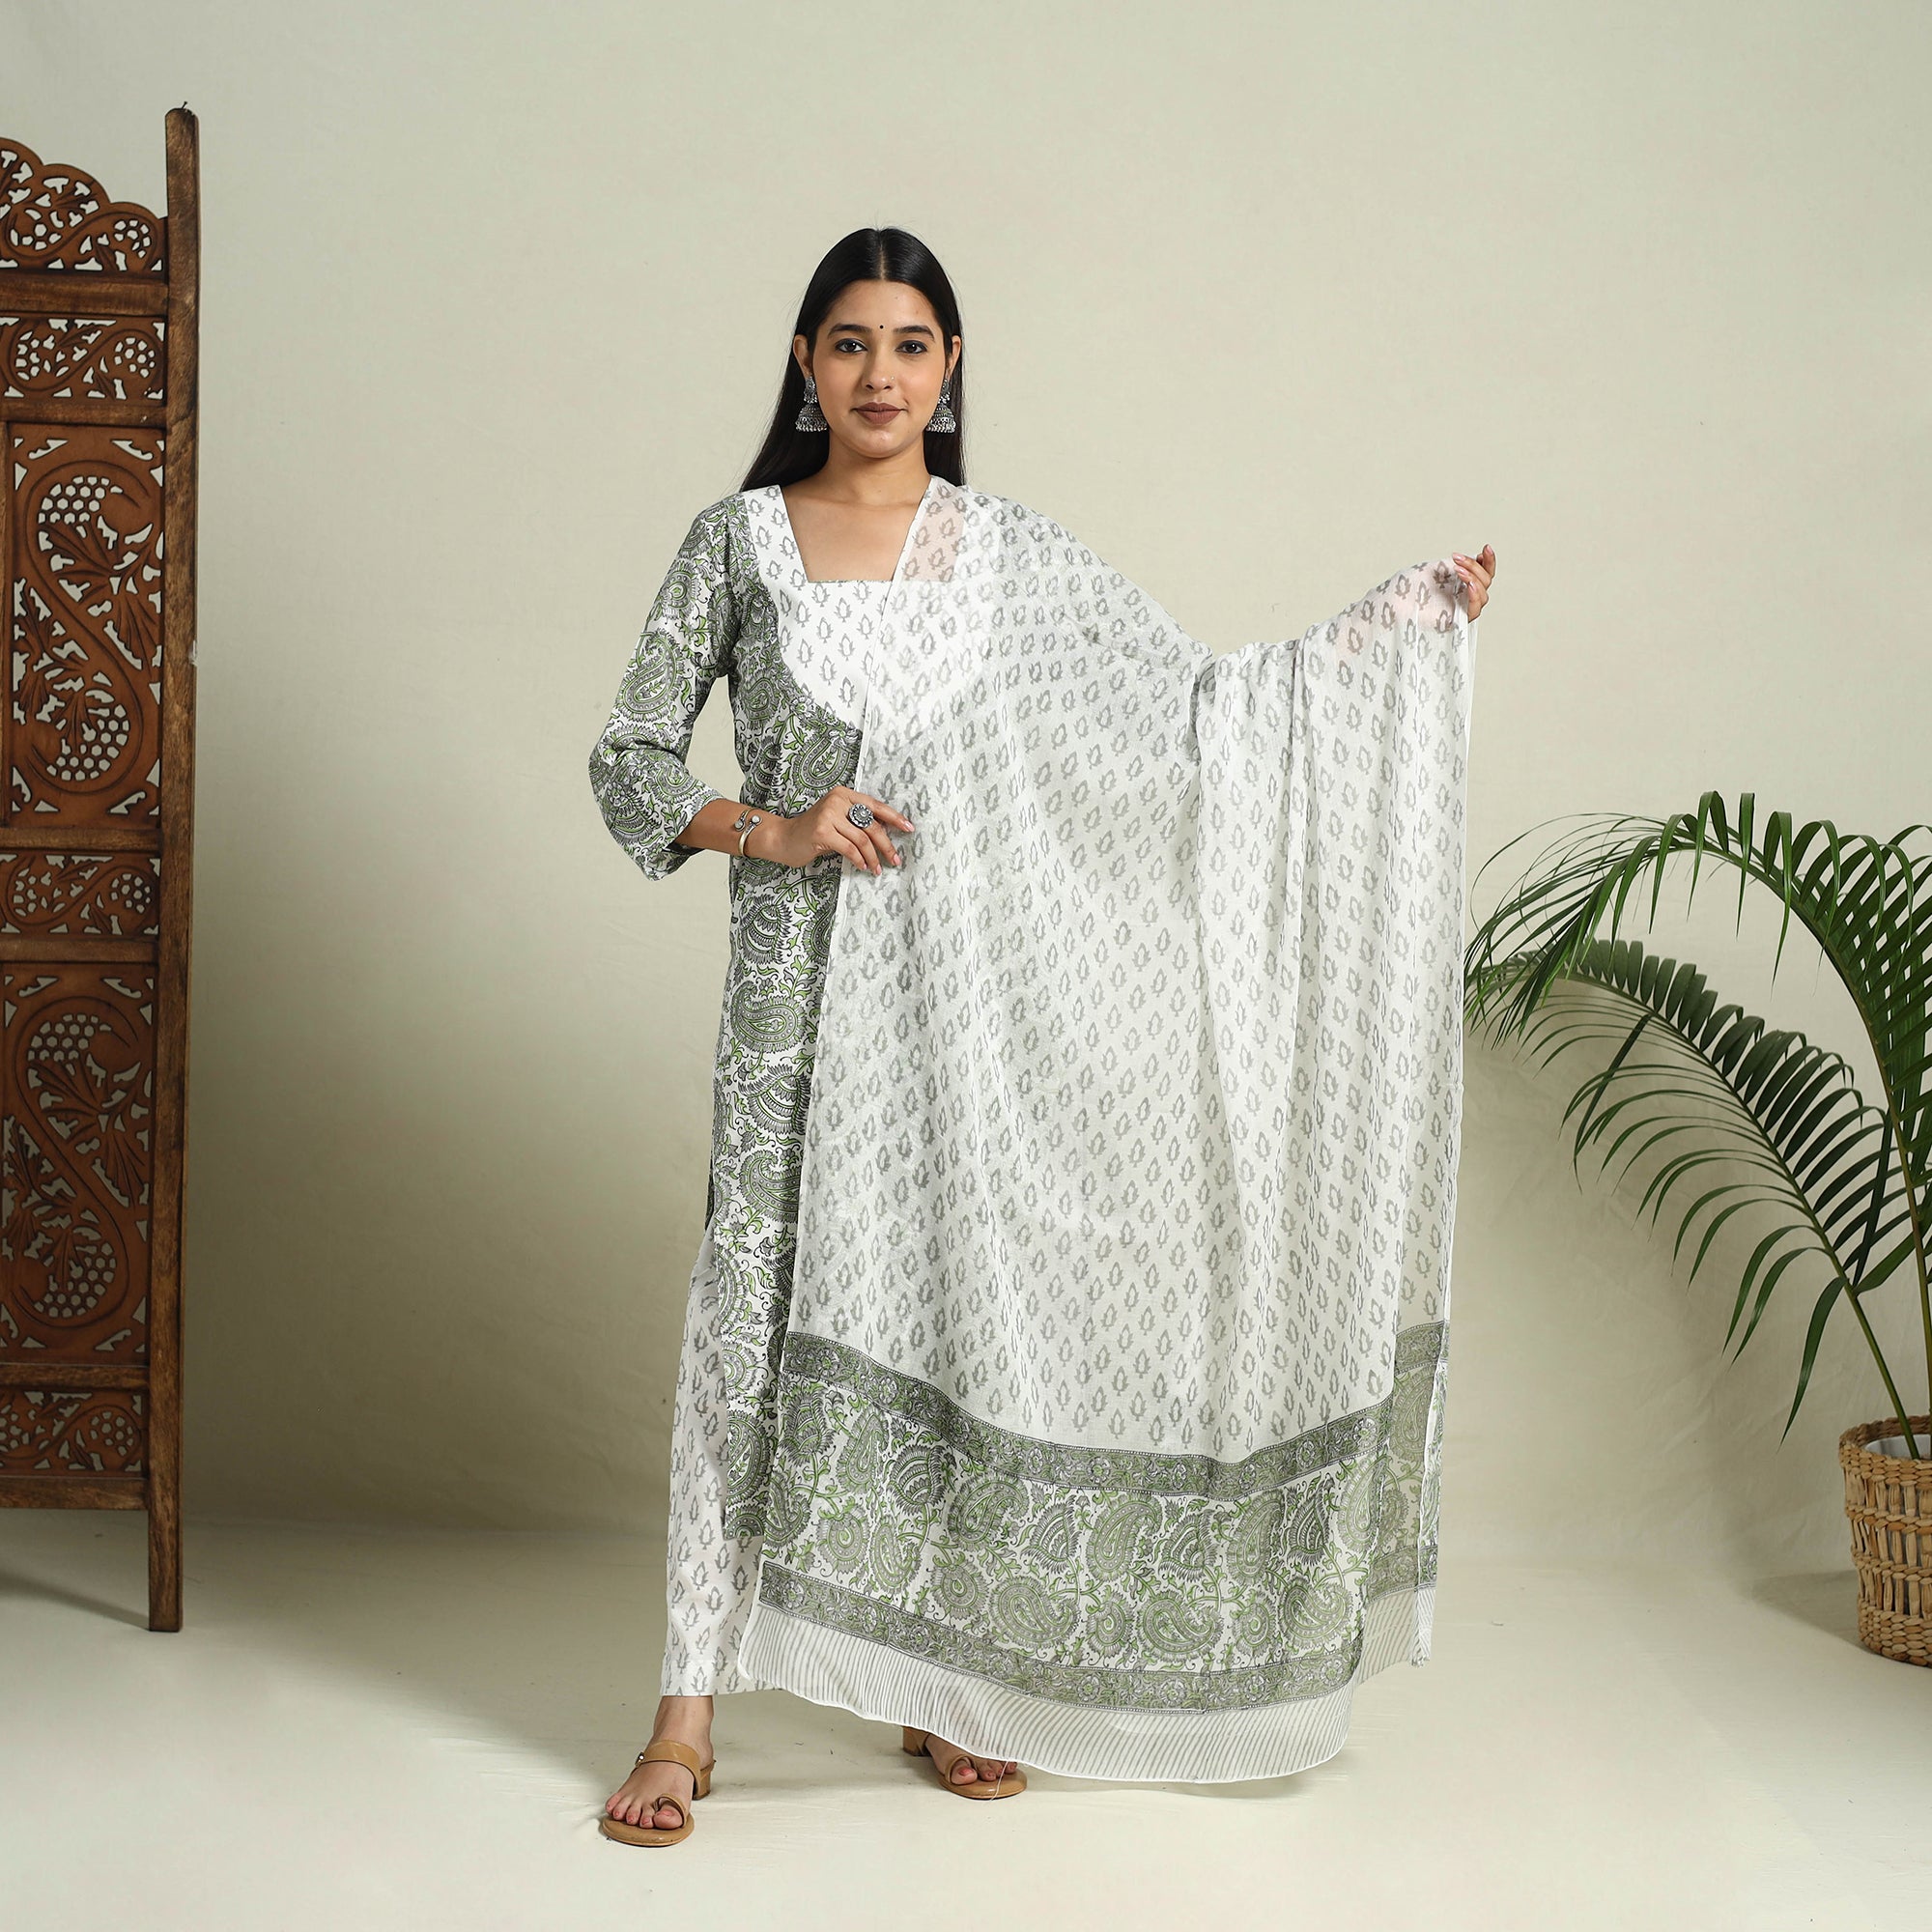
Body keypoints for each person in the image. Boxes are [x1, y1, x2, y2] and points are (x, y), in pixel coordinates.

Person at [589, 226, 1495, 1846]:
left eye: (911, 345)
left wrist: (1391, 632)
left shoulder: (1004, 555)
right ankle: (685, 1715)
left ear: (951, 369)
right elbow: (630, 761)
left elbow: (1194, 710)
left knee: (953, 1317)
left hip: (969, 1028)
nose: (881, 375)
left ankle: (950, 1687)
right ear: (805, 364)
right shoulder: (736, 543)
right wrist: (772, 829)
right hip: (795, 1015)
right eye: (850, 343)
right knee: (745, 1331)